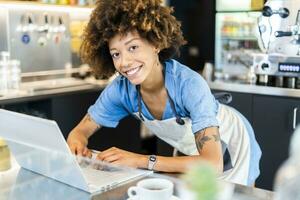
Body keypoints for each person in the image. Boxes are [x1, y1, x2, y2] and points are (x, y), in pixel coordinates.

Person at [67, 0, 261, 185]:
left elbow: (213, 164)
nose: (124, 62)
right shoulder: (121, 89)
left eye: (133, 47)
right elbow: (81, 130)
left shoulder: (189, 84)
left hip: (231, 138)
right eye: (116, 54)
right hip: (190, 147)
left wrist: (139, 160)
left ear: (156, 44)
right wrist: (77, 142)